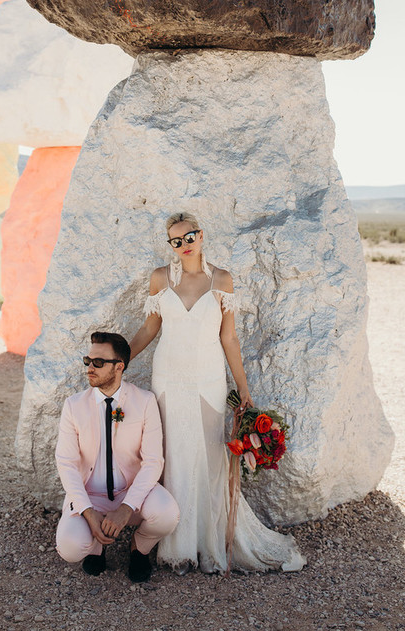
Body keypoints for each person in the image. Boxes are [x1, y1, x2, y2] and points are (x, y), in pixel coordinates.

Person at [129, 213, 306, 574]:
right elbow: (150, 328)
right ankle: (174, 542)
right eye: (175, 240)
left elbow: (229, 337)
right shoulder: (160, 278)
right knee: (172, 457)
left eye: (189, 236)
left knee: (210, 460)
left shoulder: (222, 279)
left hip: (208, 380)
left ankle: (209, 541)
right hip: (168, 378)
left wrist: (243, 387)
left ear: (201, 234)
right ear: (170, 245)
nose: (184, 244)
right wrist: (121, 360)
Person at [55, 331, 180, 582]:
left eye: (98, 363)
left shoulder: (144, 401)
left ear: (119, 366)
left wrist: (126, 508)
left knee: (168, 515)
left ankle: (139, 547)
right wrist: (88, 512)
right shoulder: (73, 405)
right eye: (87, 361)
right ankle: (96, 546)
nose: (90, 368)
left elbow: (153, 461)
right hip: (91, 497)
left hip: (131, 493)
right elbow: (66, 464)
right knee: (69, 548)